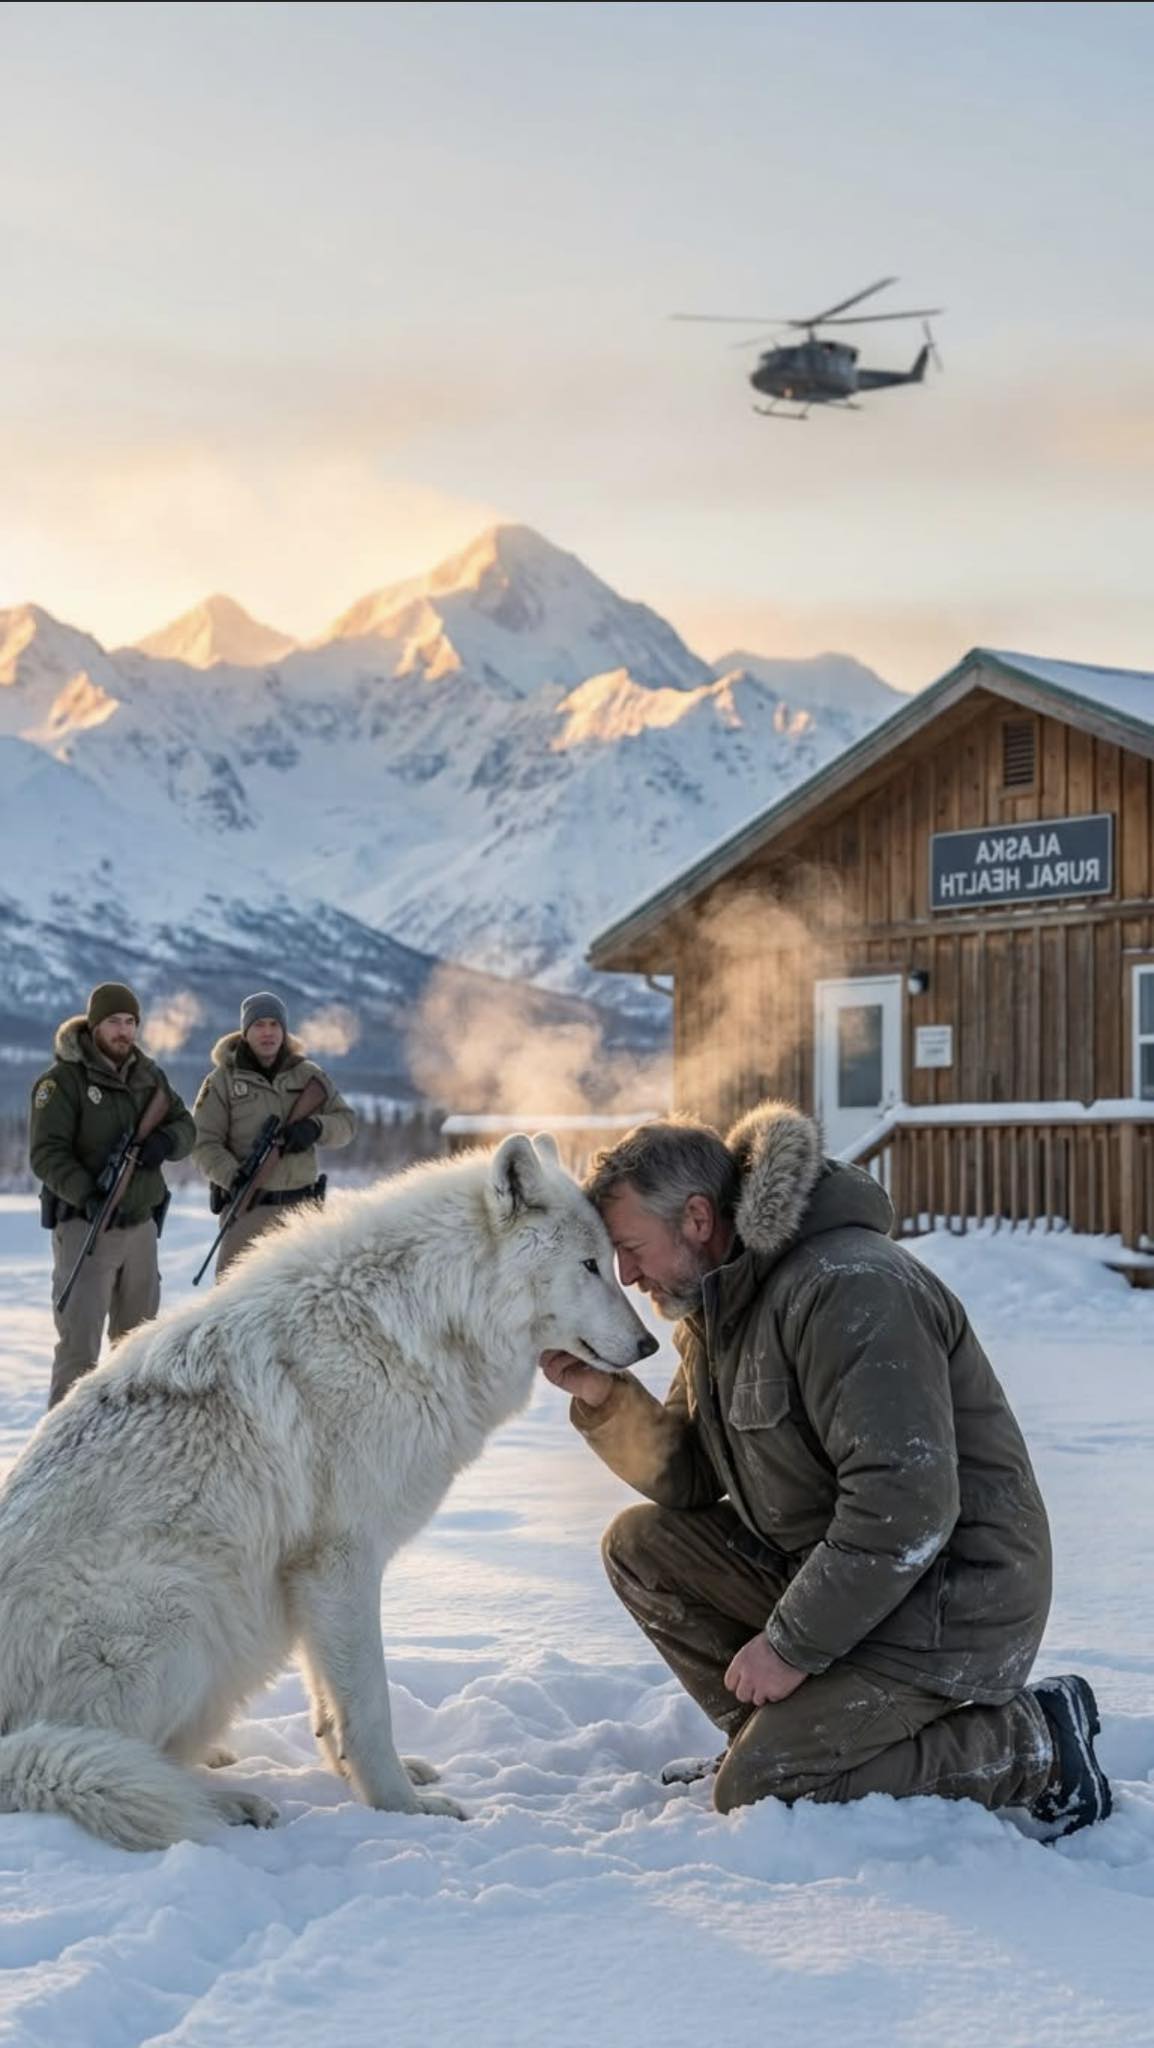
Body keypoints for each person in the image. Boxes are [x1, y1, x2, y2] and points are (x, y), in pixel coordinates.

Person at [541, 1101, 1111, 1837]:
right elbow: (687, 1479)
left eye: (630, 1247)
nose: (625, 1274)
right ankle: (787, 1739)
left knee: (765, 1789)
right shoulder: (720, 1308)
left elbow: (904, 1509)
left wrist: (790, 1647)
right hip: (850, 1584)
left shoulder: (849, 1287)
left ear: (695, 1218)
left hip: (949, 1602)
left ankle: (1035, 1744)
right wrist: (604, 1397)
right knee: (642, 1545)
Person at [29, 981, 196, 1408]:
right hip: (87, 1229)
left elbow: (185, 1127)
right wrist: (87, 1194)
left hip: (140, 1231)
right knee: (78, 1352)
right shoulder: (63, 1080)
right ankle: (64, 1457)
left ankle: (130, 1455)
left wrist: (165, 1144)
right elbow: (46, 1155)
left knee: (139, 1351)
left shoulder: (149, 1076)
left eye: (129, 1022)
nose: (123, 1031)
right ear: (94, 1025)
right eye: (113, 1022)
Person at [192, 991, 357, 1277]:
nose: (267, 1032)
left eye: (274, 1024)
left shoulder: (309, 1076)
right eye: (258, 1025)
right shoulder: (222, 1081)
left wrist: (316, 1128)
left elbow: (347, 1124)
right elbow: (203, 1143)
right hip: (249, 1208)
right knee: (234, 1306)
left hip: (303, 1214)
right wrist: (234, 1175)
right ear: (245, 1032)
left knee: (304, 1304)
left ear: (283, 1029)